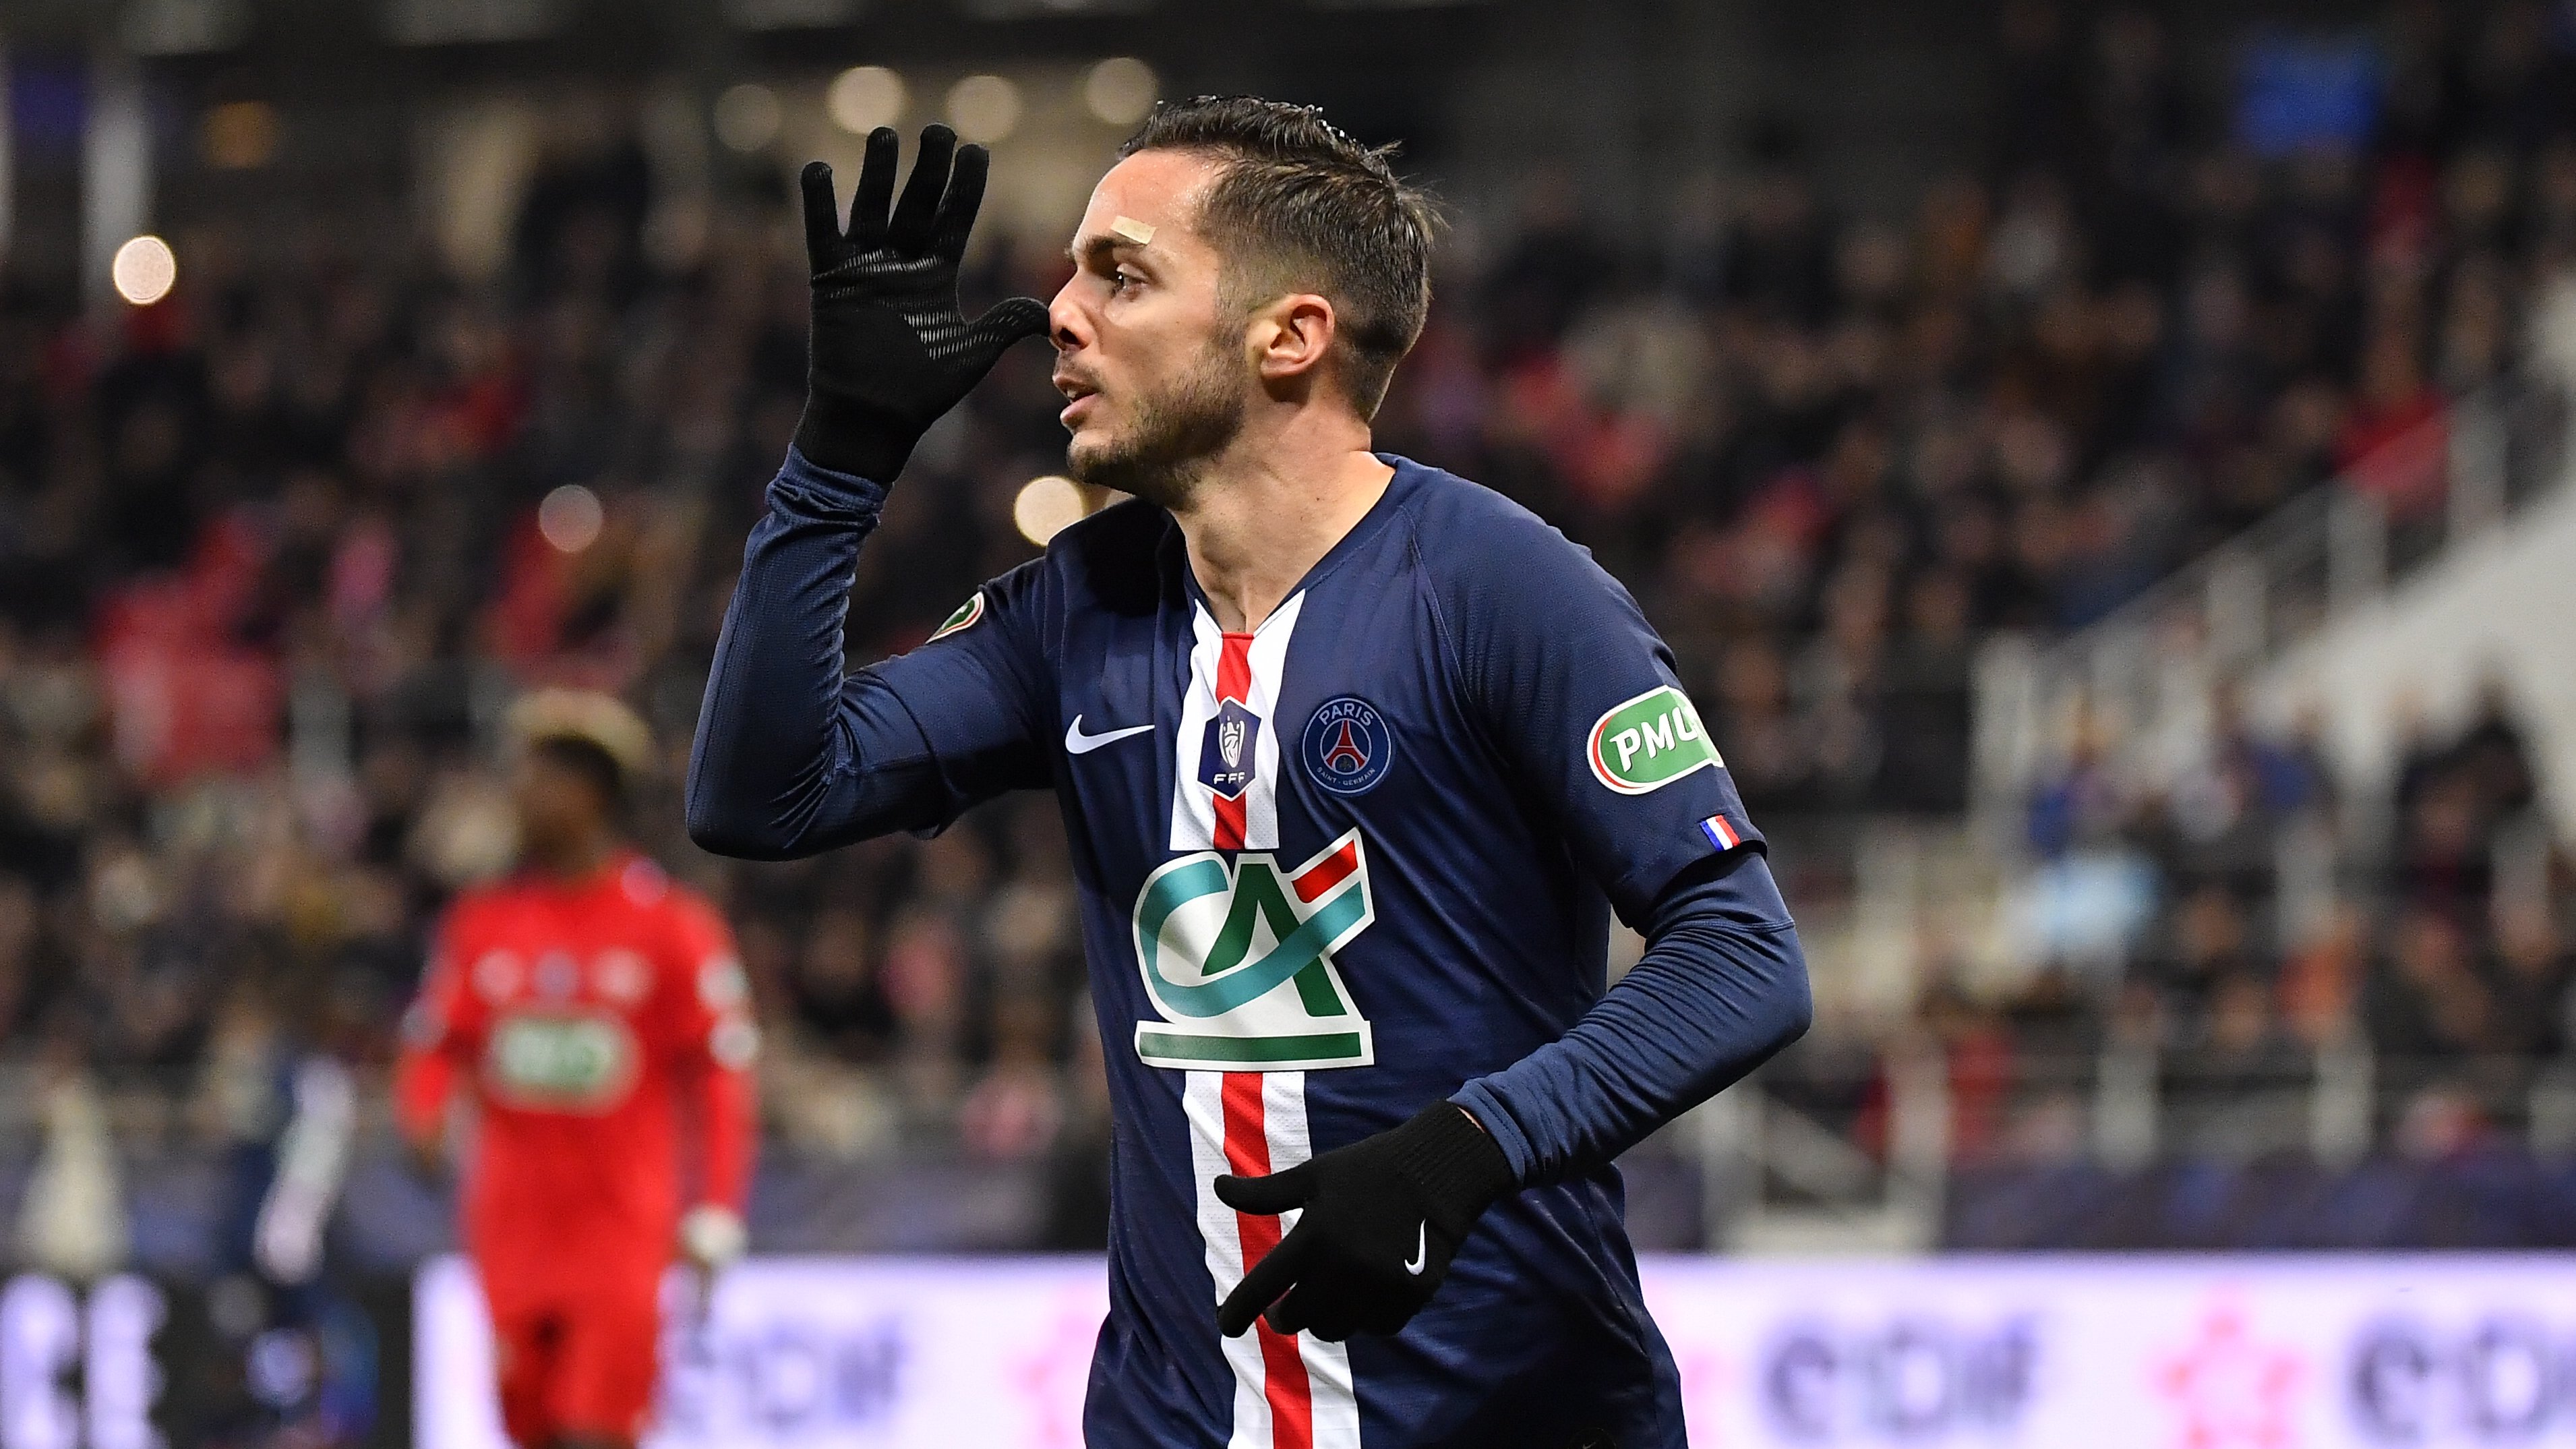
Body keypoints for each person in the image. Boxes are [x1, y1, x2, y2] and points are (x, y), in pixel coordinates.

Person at [688, 100, 1810, 1449]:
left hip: (1508, 1413)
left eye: (1120, 273)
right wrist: (838, 459)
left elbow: (1744, 956)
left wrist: (1463, 1148)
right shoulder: (1073, 613)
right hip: (1176, 1422)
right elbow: (763, 798)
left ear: (1287, 335)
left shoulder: (1499, 589)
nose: (1057, 313)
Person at [398, 690, 758, 1449]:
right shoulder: (481, 923)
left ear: (589, 791)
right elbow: (436, 1041)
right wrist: (422, 1110)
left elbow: (722, 1073)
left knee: (593, 1434)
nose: (518, 795)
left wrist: (717, 1206)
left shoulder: (671, 928)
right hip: (509, 1239)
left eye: (536, 776)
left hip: (619, 1241)